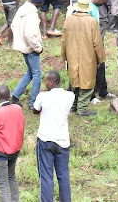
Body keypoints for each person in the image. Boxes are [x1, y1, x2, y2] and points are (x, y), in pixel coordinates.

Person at [33, 70, 74, 202]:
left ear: (51, 82)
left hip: (45, 139)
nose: (44, 83)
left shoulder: (42, 96)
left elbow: (35, 110)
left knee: (46, 176)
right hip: (62, 141)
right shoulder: (70, 96)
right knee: (63, 175)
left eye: (45, 81)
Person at [62, 0, 105, 116]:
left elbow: (64, 40)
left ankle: (74, 105)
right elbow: (97, 42)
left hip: (72, 55)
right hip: (88, 56)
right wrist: (100, 58)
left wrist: (64, 55)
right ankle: (81, 109)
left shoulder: (69, 19)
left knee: (75, 80)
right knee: (87, 82)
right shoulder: (92, 21)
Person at [0, 84, 25, 202]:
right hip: (15, 150)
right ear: (9, 96)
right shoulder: (18, 109)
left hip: (1, 153)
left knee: (2, 184)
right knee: (12, 177)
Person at [10, 0, 45, 107]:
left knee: (31, 71)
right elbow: (30, 34)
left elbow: (13, 25)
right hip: (31, 48)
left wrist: (21, 42)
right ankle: (33, 103)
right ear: (39, 3)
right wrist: (38, 48)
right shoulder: (32, 15)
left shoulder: (22, 9)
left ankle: (15, 96)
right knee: (37, 74)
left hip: (22, 46)